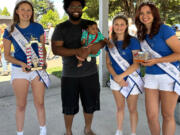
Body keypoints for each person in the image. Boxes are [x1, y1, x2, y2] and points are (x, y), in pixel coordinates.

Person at [51, 0, 106, 135]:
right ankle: (68, 132)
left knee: (90, 105)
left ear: (82, 8)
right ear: (67, 9)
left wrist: (90, 49)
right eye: (72, 6)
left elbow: (102, 40)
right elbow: (56, 49)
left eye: (79, 6)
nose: (76, 9)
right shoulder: (61, 27)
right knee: (69, 107)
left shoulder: (90, 24)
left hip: (91, 73)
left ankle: (87, 129)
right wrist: (78, 51)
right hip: (70, 75)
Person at [3, 1, 48, 135]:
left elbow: (43, 49)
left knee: (40, 103)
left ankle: (43, 131)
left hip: (36, 71)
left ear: (32, 13)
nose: (26, 13)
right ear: (17, 11)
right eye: (23, 9)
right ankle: (20, 133)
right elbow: (6, 56)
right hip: (19, 70)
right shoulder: (10, 30)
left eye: (29, 10)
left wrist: (43, 62)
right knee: (21, 105)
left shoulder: (38, 27)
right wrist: (22, 64)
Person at [135, 2, 180, 135]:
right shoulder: (141, 33)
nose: (145, 16)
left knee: (167, 115)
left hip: (168, 76)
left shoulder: (165, 29)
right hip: (150, 77)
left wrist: (157, 60)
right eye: (142, 13)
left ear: (154, 14)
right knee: (151, 116)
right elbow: (143, 55)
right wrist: (141, 60)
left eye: (148, 12)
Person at [106, 15, 143, 135]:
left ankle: (133, 133)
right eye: (116, 24)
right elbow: (108, 64)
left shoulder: (134, 41)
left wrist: (120, 77)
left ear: (126, 26)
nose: (119, 27)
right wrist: (116, 78)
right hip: (115, 80)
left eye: (122, 24)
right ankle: (119, 130)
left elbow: (137, 64)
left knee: (132, 109)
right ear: (113, 26)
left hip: (132, 80)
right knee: (120, 108)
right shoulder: (109, 42)